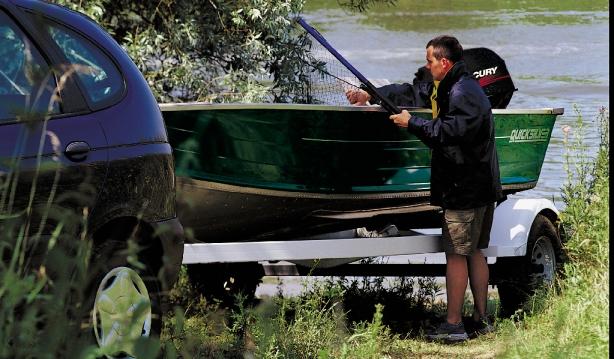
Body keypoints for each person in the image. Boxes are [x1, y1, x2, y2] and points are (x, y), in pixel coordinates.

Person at [353, 35, 503, 342]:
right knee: (475, 252)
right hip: (479, 186)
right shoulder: (455, 85)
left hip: (466, 189)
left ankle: (454, 325)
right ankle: (481, 320)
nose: (426, 65)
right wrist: (370, 94)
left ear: (444, 63)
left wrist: (412, 125)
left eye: (429, 60)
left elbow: (450, 133)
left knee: (457, 255)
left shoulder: (462, 92)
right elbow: (412, 91)